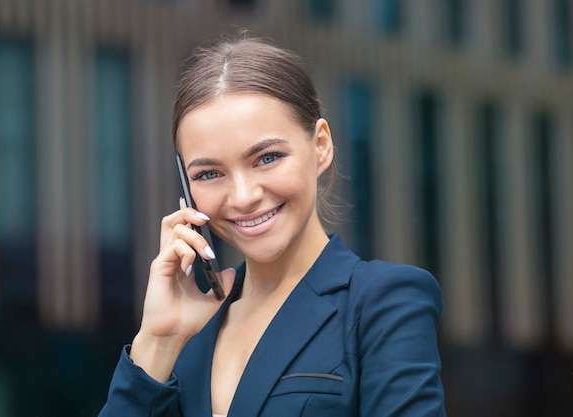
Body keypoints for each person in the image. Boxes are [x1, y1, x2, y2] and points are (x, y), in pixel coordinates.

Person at [98, 33, 447, 417]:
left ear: (321, 146)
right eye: (210, 173)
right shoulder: (186, 334)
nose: (244, 196)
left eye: (267, 158)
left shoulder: (384, 302)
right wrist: (158, 340)